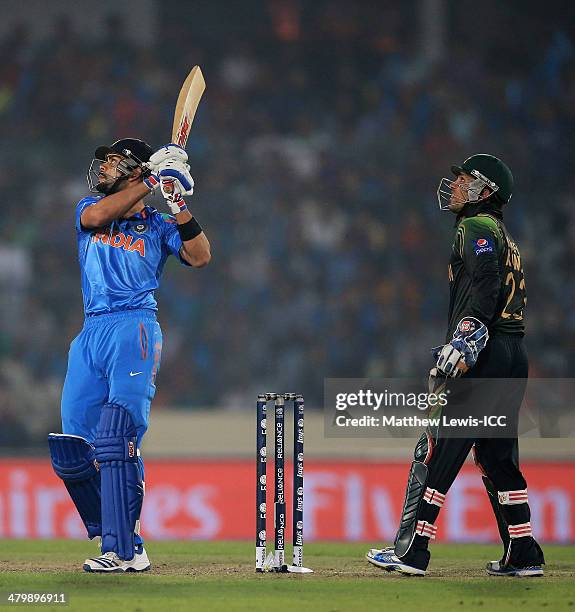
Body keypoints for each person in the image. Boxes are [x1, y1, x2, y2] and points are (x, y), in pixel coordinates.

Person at [366, 154, 545, 577]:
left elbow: (485, 281)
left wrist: (467, 337)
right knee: (496, 455)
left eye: (465, 180)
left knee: (440, 447)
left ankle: (412, 551)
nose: (456, 186)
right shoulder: (504, 234)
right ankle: (523, 553)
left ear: (486, 191)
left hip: (484, 351)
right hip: (512, 352)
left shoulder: (476, 226)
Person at [48, 139, 211, 572]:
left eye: (112, 163)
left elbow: (200, 255)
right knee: (71, 448)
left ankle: (121, 551)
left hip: (133, 326)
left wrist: (176, 202)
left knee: (117, 436)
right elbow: (97, 216)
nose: (101, 169)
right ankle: (121, 538)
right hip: (90, 331)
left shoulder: (158, 226)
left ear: (133, 170)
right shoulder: (90, 207)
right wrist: (153, 180)